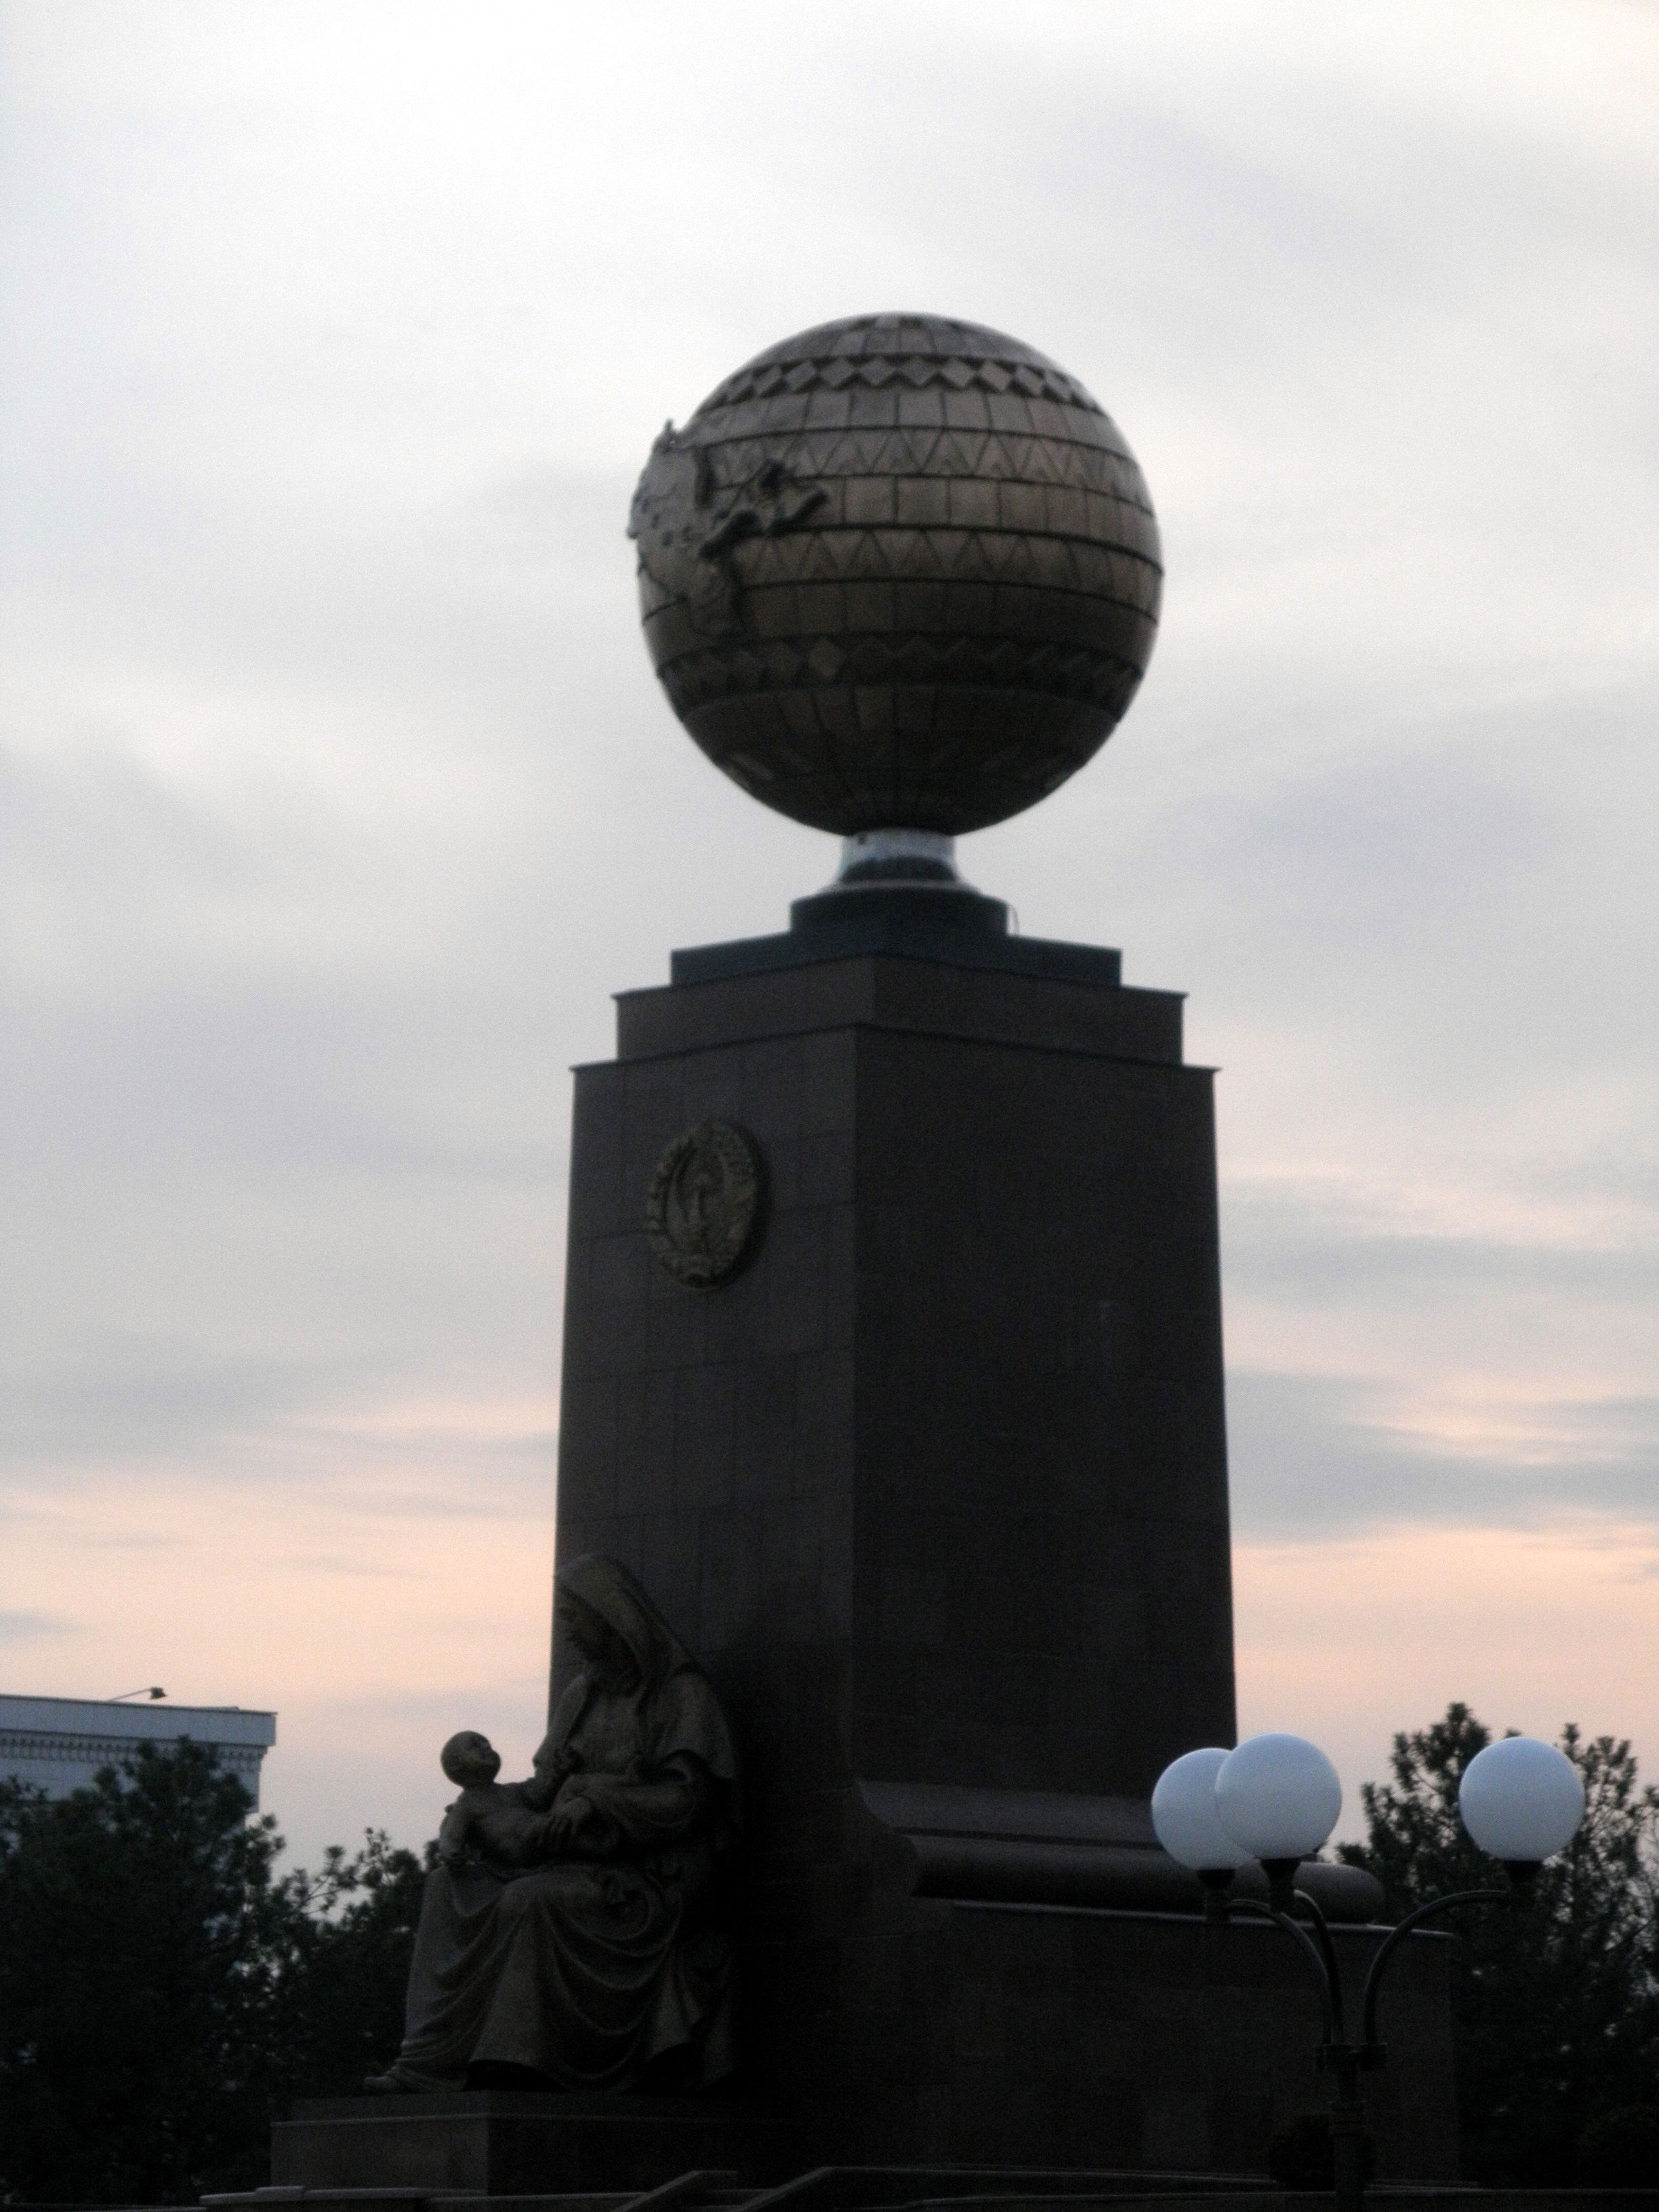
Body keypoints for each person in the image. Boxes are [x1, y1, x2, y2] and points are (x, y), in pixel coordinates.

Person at [367, 1555, 740, 2093]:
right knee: (449, 1887)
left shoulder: (679, 1696)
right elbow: (543, 1788)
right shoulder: (581, 1696)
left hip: (649, 1878)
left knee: (532, 1900)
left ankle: (514, 2065)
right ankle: (426, 2064)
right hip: (565, 1857)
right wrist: (489, 1810)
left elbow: (686, 1802)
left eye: (572, 1615)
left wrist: (596, 1803)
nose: (565, 1629)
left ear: (611, 1617)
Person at [434, 1731, 571, 1871]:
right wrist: (452, 1853)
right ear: (456, 1766)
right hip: (525, 1842)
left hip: (543, 1831)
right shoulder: (467, 1804)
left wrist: (557, 1771)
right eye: (474, 1745)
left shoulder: (512, 1790)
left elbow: (539, 1793)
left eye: (486, 1742)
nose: (486, 1746)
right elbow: (451, 1835)